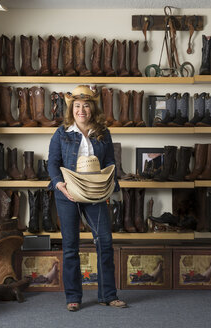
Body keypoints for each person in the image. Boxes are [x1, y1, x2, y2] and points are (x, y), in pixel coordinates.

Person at [48, 85, 126, 311]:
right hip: (68, 193)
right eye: (77, 106)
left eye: (86, 106)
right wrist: (59, 184)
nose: (81, 110)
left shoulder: (103, 132)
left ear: (93, 109)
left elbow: (111, 160)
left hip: (95, 192)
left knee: (105, 242)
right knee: (70, 246)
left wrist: (109, 181)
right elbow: (53, 162)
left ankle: (108, 295)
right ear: (71, 108)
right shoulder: (61, 133)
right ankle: (73, 297)